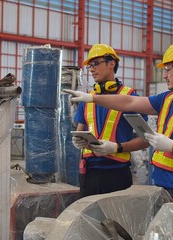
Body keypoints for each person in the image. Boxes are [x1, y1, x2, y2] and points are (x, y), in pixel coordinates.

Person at [66, 43, 173, 212]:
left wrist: (172, 146)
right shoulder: (167, 98)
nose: (164, 75)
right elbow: (130, 102)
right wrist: (92, 99)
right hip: (159, 183)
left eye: (168, 69)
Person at [72, 43, 149, 198]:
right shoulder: (87, 98)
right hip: (88, 174)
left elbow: (147, 139)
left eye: (95, 64)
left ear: (111, 63)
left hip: (117, 174)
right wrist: (78, 141)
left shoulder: (130, 98)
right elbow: (80, 131)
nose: (92, 69)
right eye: (89, 66)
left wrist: (117, 148)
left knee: (116, 222)